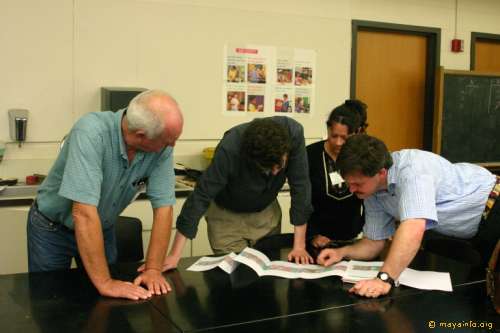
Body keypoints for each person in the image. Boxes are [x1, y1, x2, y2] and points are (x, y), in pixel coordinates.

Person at [27, 90, 184, 300]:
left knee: (105, 305)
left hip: (101, 227)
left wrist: (154, 269)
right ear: (140, 135)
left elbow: (164, 207)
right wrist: (105, 282)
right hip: (52, 229)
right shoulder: (91, 133)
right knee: (50, 302)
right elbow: (83, 213)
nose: (171, 146)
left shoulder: (161, 147)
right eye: (167, 141)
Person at [317, 134, 500, 298]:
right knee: (481, 295)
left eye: (357, 183)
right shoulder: (372, 191)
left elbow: (413, 227)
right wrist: (341, 253)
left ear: (381, 172)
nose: (351, 189)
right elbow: (374, 242)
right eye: (349, 183)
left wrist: (384, 279)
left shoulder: (413, 171)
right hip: (473, 228)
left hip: (494, 208)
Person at [150, 117, 314, 271]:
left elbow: (301, 186)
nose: (274, 172)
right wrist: (174, 255)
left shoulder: (293, 133)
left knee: (267, 280)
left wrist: (299, 246)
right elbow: (201, 196)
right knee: (234, 281)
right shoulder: (231, 148)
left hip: (265, 213)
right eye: (267, 168)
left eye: (279, 167)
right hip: (227, 216)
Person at [306, 103, 365, 256]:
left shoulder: (362, 156)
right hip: (318, 240)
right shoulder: (310, 155)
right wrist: (311, 235)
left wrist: (370, 233)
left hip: (354, 238)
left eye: (344, 138)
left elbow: (372, 198)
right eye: (334, 136)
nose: (338, 142)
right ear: (328, 129)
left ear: (356, 132)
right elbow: (301, 200)